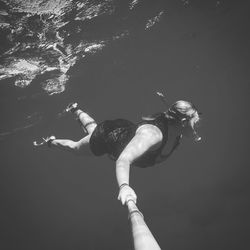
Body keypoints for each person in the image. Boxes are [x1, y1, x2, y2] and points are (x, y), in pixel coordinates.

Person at [34, 95, 201, 206]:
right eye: (196, 120)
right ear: (184, 121)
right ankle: (51, 141)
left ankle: (76, 110)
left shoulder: (177, 132)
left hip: (124, 130)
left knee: (93, 128)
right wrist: (124, 186)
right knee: (77, 148)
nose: (198, 123)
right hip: (109, 138)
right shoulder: (152, 135)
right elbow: (124, 159)